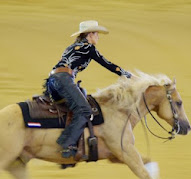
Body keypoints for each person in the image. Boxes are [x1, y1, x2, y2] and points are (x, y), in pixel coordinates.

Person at [44, 20, 132, 158]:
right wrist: (126, 74)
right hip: (64, 79)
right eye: (96, 34)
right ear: (90, 34)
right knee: (85, 110)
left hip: (52, 82)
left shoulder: (71, 47)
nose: (98, 37)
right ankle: (67, 144)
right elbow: (106, 63)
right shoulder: (88, 47)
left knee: (76, 103)